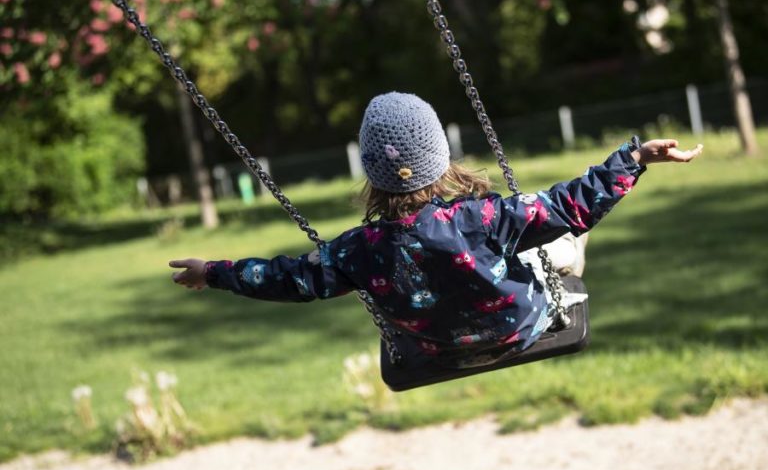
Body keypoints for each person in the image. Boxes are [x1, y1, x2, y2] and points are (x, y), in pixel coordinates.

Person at [170, 92, 701, 367]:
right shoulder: (481, 217)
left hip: (432, 348)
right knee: (564, 241)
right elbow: (571, 203)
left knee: (536, 242)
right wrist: (633, 158)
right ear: (440, 158)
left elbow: (288, 277)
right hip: (521, 329)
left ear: (371, 173)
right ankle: (564, 264)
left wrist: (213, 272)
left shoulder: (359, 250)